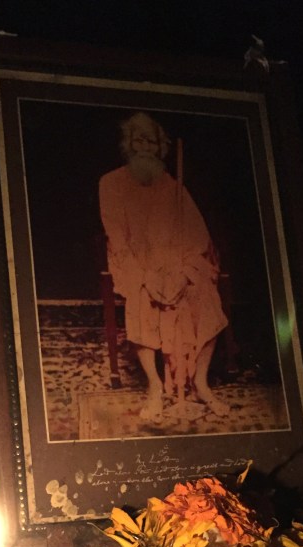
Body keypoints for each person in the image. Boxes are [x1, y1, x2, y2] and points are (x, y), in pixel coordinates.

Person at [98, 111, 229, 421]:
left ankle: (200, 382)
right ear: (129, 144)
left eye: (151, 141)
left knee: (205, 295)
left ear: (160, 148)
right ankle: (155, 387)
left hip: (174, 263)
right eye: (138, 139)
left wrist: (182, 272)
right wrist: (146, 275)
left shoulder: (173, 186)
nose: (145, 146)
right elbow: (117, 237)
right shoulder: (110, 183)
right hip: (133, 263)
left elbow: (196, 237)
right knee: (143, 297)